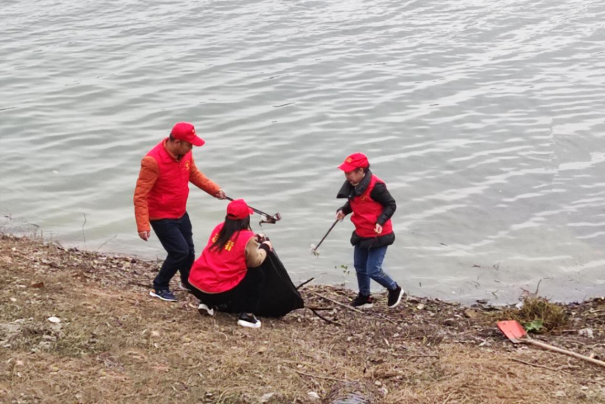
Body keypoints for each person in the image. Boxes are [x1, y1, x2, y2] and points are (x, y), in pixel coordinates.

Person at [134, 122, 226, 302]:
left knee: (189, 250)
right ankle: (160, 286)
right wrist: (143, 225)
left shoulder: (185, 154)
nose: (191, 148)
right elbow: (140, 195)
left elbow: (194, 174)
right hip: (161, 216)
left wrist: (215, 190)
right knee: (179, 252)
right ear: (177, 142)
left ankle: (187, 281)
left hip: (180, 212)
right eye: (189, 144)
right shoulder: (152, 161)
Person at [188, 199, 272, 328]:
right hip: (217, 291)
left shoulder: (219, 228)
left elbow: (233, 243)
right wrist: (265, 247)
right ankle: (247, 316)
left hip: (195, 284)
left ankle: (206, 303)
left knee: (216, 263)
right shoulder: (248, 238)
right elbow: (255, 262)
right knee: (256, 274)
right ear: (246, 219)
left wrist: (254, 238)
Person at [335, 152, 403, 309]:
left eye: (349, 172)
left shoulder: (376, 187)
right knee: (359, 266)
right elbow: (353, 202)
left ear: (361, 171)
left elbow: (391, 204)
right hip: (362, 232)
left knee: (373, 270)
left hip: (379, 234)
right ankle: (365, 297)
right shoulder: (354, 185)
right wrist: (343, 211)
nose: (347, 176)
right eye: (345, 173)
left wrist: (381, 221)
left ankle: (395, 289)